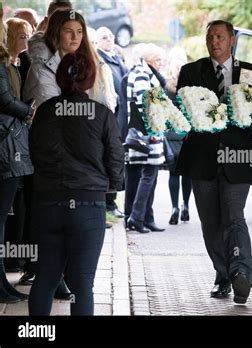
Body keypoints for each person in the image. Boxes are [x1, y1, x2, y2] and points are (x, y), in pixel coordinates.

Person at [176, 20, 252, 304]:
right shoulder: (191, 72)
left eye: (219, 37)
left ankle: (241, 275)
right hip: (202, 161)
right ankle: (222, 275)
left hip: (238, 159)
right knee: (211, 223)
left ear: (232, 40)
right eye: (209, 37)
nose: (214, 42)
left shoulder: (251, 73)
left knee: (234, 218)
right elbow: (181, 114)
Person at [28, 51, 124, 316]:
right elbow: (116, 158)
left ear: (60, 77)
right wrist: (112, 185)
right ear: (90, 79)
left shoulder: (44, 112)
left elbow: (32, 150)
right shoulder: (102, 114)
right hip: (87, 205)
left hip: (47, 203)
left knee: (45, 279)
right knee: (82, 285)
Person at [22, 8, 94, 299]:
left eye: (79, 31)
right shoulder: (41, 67)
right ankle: (51, 274)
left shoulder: (91, 62)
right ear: (56, 33)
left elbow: (101, 106)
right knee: (50, 222)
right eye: (68, 31)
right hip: (49, 158)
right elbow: (52, 114)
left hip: (83, 158)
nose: (75, 37)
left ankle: (66, 276)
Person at [0, 17, 35, 303]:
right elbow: (4, 100)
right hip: (6, 146)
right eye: (20, 35)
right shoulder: (3, 63)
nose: (26, 40)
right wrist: (27, 110)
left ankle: (3, 281)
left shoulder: (12, 64)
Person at [124, 44, 167, 233]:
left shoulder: (143, 72)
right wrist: (151, 133)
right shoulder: (142, 73)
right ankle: (137, 217)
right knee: (149, 175)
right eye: (158, 60)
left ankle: (146, 217)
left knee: (151, 175)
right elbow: (144, 104)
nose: (161, 64)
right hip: (146, 133)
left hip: (147, 131)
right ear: (149, 60)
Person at [96, 26, 128, 218]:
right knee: (111, 158)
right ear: (98, 41)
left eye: (111, 37)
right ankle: (108, 202)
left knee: (118, 159)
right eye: (104, 37)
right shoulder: (100, 60)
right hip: (111, 117)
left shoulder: (117, 58)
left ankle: (112, 201)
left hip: (122, 117)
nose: (109, 40)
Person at [162, 46, 192, 225]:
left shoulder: (165, 85)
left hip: (171, 135)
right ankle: (186, 205)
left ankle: (174, 207)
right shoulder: (190, 86)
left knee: (173, 173)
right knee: (187, 173)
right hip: (186, 135)